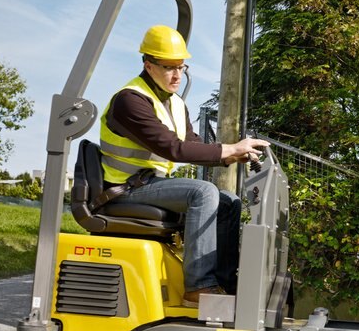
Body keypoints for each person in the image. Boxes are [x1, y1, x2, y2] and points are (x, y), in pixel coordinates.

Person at [99, 24, 269, 307]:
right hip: (123, 189)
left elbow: (191, 143)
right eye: (169, 67)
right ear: (148, 65)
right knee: (203, 192)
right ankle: (198, 288)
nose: (177, 75)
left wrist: (231, 155)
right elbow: (173, 149)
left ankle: (224, 285)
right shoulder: (130, 101)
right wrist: (229, 149)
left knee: (229, 201)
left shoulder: (176, 104)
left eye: (181, 67)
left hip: (150, 184)